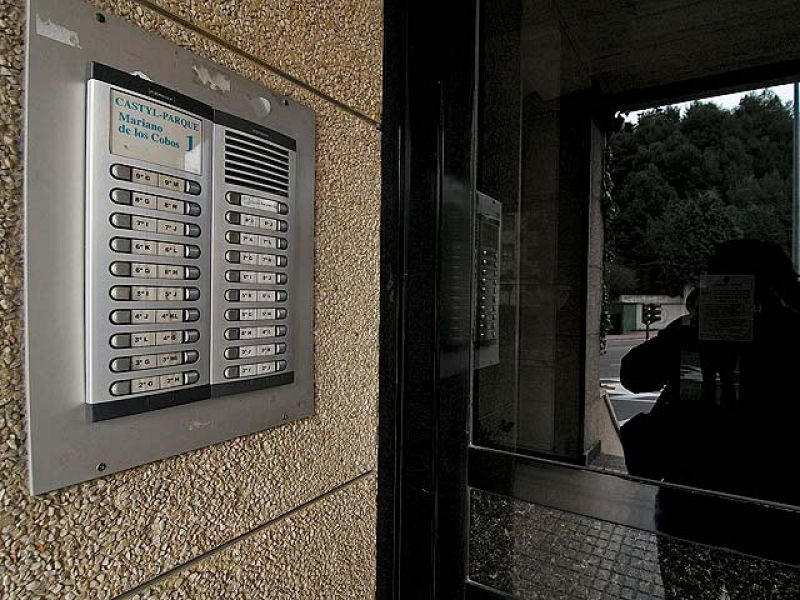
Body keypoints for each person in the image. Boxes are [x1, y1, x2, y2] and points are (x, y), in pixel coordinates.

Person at [618, 239, 800, 598]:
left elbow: (634, 375)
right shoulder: (791, 332)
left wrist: (691, 330)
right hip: (776, 509)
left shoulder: (698, 331)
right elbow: (633, 375)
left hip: (692, 500)